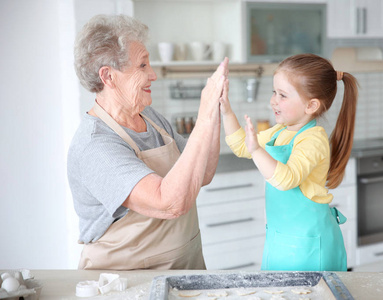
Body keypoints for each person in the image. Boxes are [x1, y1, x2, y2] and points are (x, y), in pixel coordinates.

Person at [68, 14, 228, 270]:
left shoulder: (150, 118)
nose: (153, 75)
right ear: (108, 77)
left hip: (183, 269)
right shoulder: (95, 146)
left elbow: (203, 173)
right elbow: (169, 202)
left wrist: (215, 110)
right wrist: (204, 115)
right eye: (143, 66)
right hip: (128, 282)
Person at [219, 53, 358, 271]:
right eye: (274, 92)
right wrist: (226, 111)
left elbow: (286, 179)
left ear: (311, 105)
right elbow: (239, 146)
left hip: (309, 247)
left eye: (283, 95)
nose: (273, 100)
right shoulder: (280, 132)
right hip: (280, 242)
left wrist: (256, 149)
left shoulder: (312, 139)